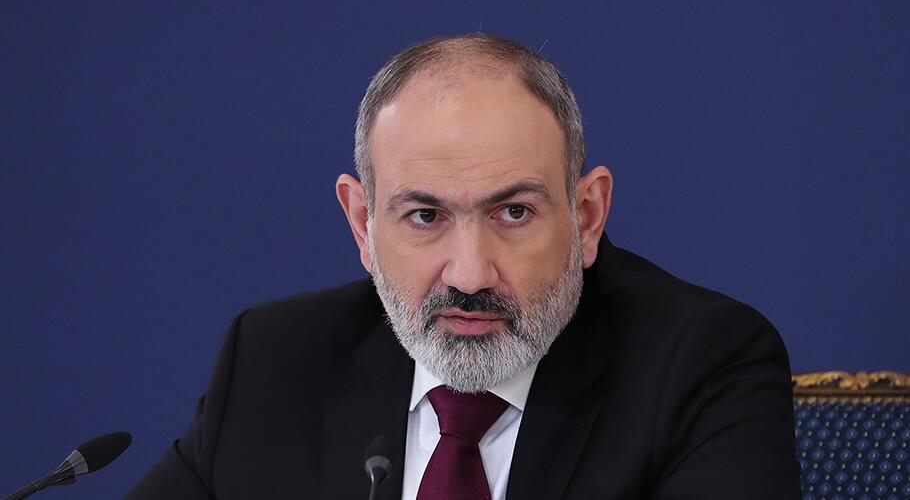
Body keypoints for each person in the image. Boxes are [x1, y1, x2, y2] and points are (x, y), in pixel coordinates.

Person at [126, 34, 801, 499]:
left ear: (587, 216)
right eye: (426, 216)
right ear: (362, 224)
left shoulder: (700, 365)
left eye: (513, 213)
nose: (470, 276)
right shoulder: (274, 361)